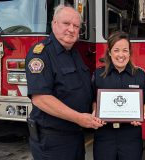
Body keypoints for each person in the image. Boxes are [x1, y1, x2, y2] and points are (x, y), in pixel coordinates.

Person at [25, 4, 103, 160]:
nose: (72, 29)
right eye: (66, 23)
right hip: (53, 141)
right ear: (54, 23)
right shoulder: (41, 53)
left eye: (76, 26)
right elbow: (41, 99)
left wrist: (95, 108)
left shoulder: (74, 53)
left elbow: (84, 90)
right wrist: (80, 118)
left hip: (75, 136)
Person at [91, 31, 145, 160]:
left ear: (129, 52)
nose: (121, 55)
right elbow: (93, 100)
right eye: (116, 50)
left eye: (125, 50)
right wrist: (95, 112)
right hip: (104, 135)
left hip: (131, 136)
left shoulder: (140, 75)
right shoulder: (98, 75)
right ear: (109, 52)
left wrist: (141, 114)